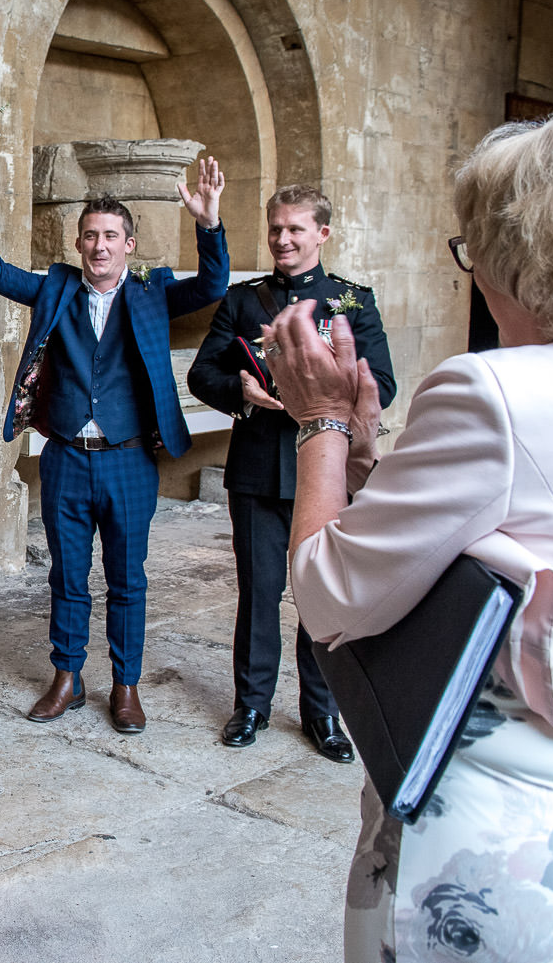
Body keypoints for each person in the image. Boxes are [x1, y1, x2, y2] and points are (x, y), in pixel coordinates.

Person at [266, 101, 553, 961]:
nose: (471, 272)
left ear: (525, 256)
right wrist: (374, 459)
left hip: (520, 824)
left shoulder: (496, 391)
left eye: (472, 248)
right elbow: (449, 536)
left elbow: (331, 591)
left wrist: (324, 424)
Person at [0, 161, 228, 731]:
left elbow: (212, 286)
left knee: (128, 580)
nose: (99, 246)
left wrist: (209, 224)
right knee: (67, 576)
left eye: (110, 237)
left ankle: (125, 686)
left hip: (129, 461)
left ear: (129, 245)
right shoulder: (57, 287)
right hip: (67, 459)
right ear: (78, 243)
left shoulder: (152, 292)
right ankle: (67, 678)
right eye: (90, 236)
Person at [187, 185, 396, 761]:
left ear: (322, 234)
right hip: (257, 467)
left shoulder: (352, 300)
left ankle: (322, 713)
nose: (282, 239)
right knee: (258, 593)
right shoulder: (243, 300)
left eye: (295, 229)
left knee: (320, 597)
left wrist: (332, 390)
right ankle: (250, 705)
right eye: (276, 228)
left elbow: (385, 382)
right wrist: (244, 392)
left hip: (325, 473)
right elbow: (203, 375)